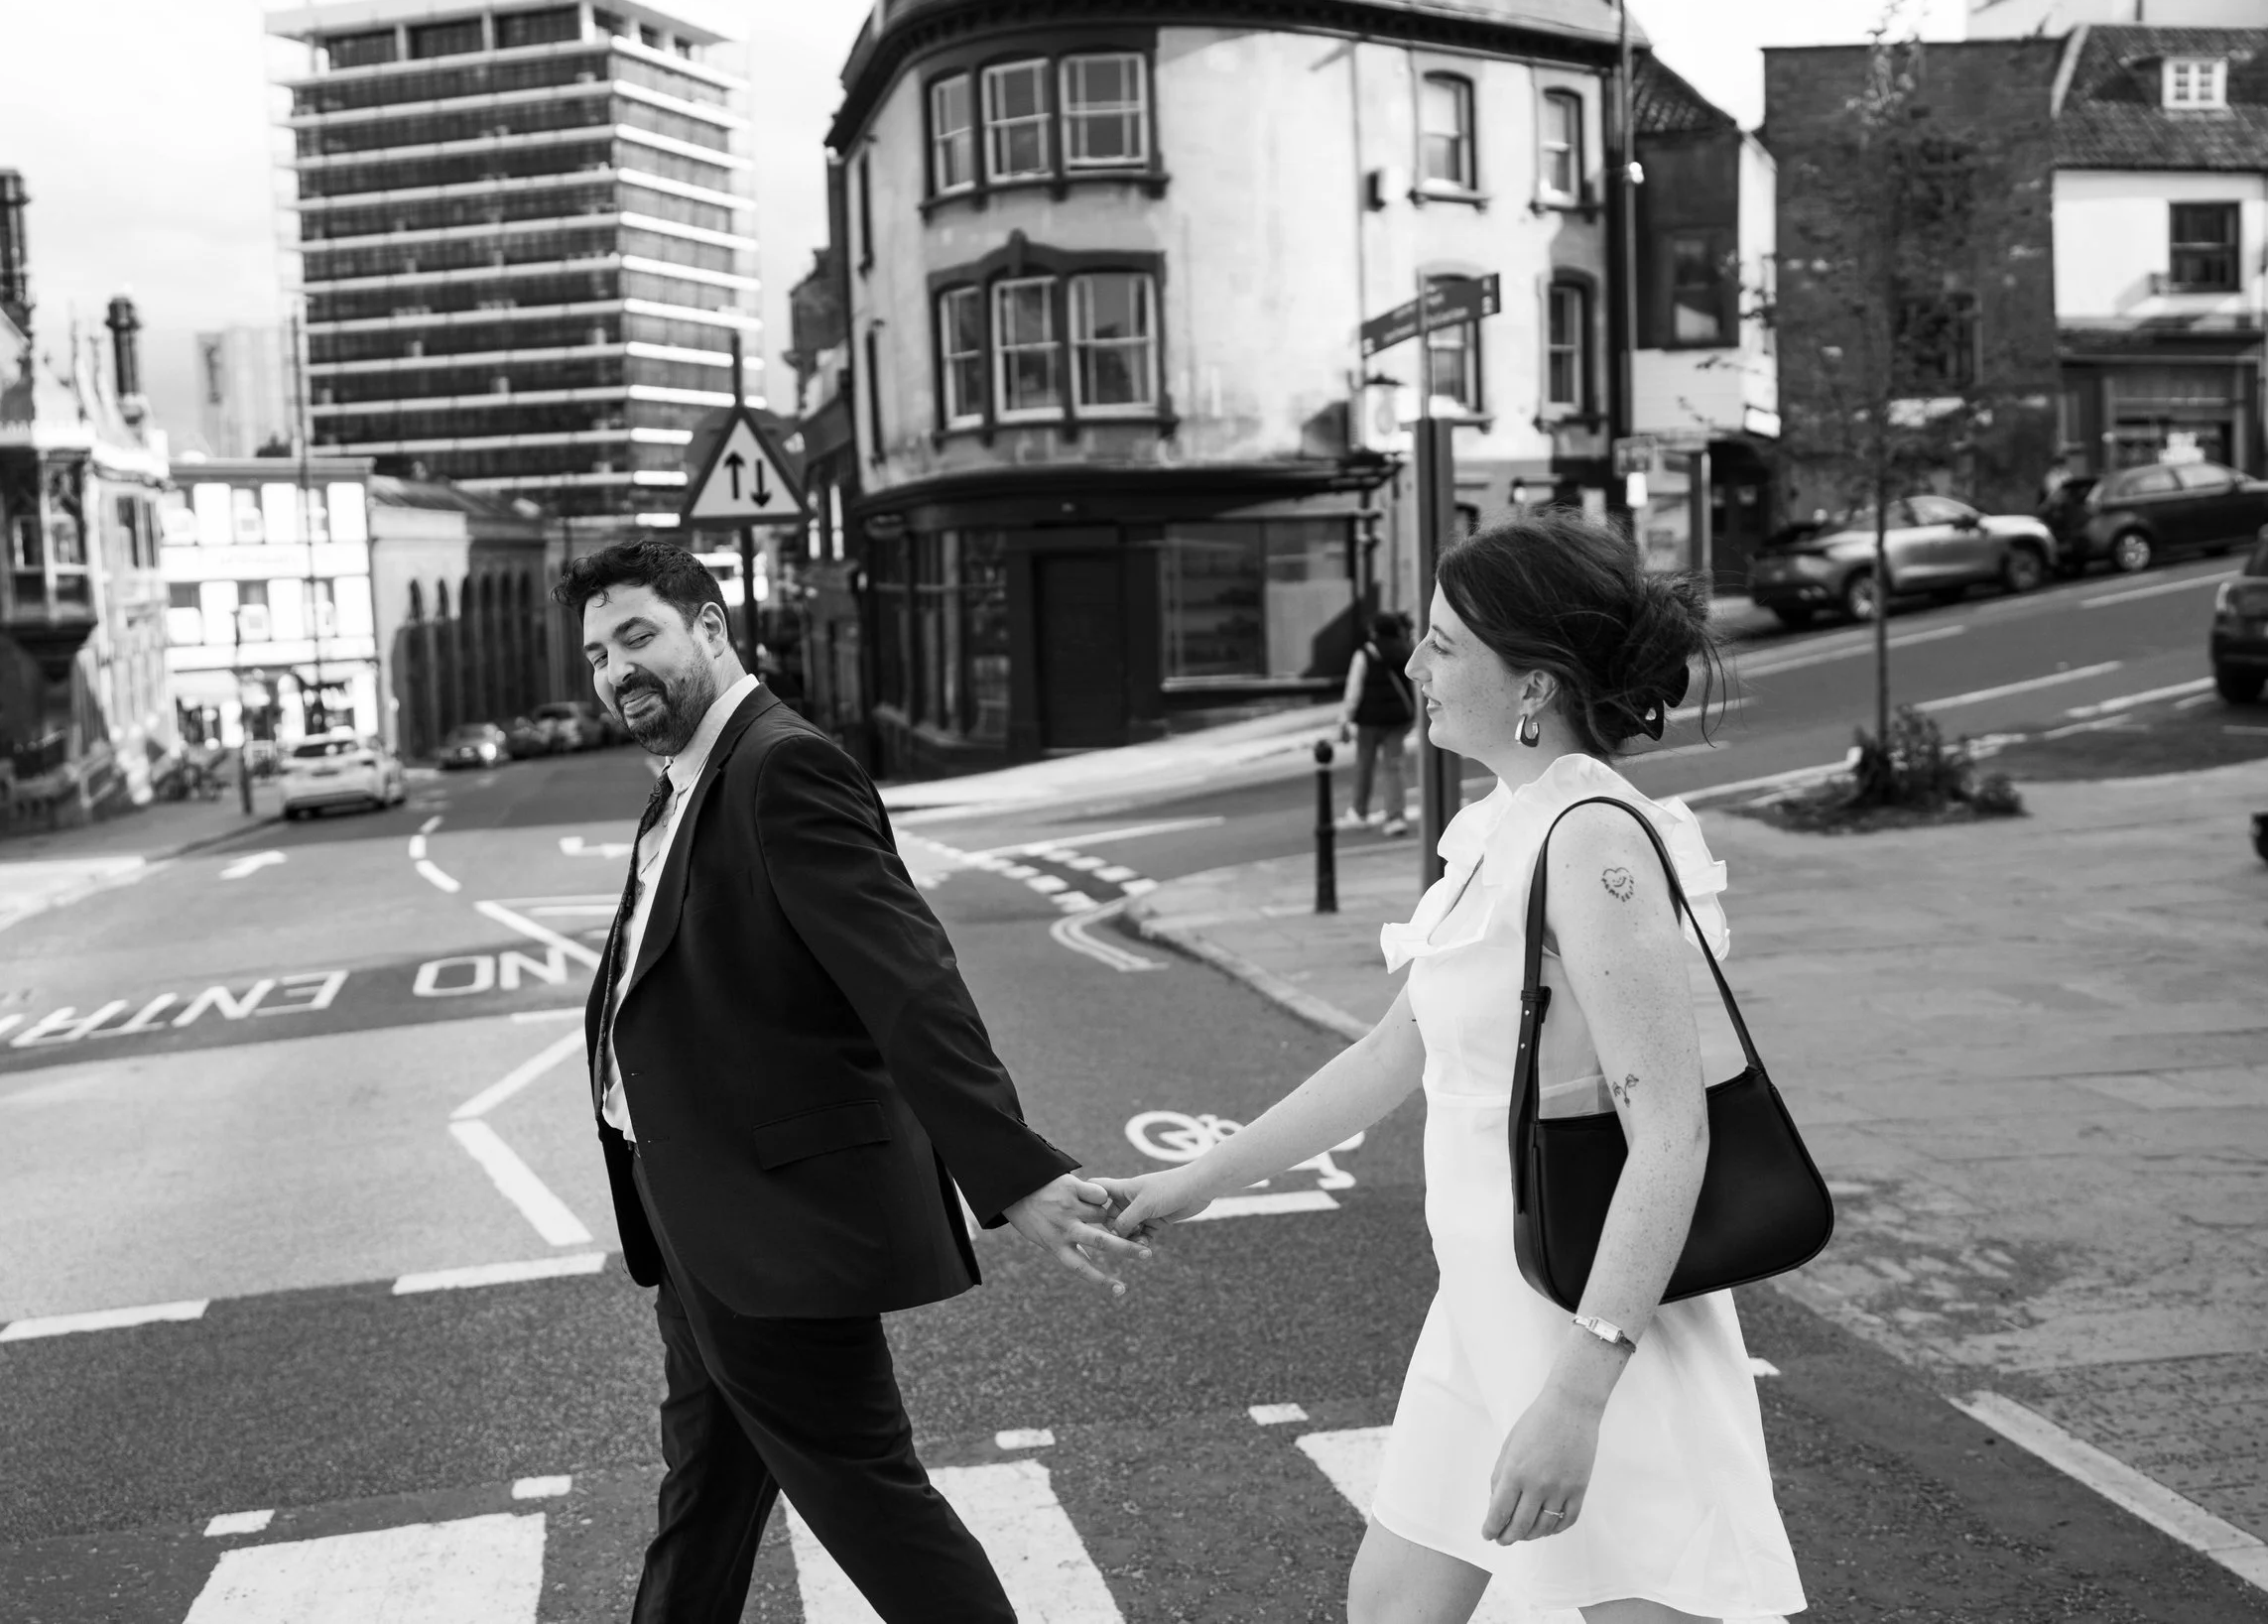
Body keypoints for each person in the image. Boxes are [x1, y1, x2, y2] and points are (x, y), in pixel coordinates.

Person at [1101, 515, 1807, 1624]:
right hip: (1483, 1308)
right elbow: (1395, 1048)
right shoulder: (1504, 825)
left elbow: (1671, 1130)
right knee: (1390, 1605)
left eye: (1441, 644)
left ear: (1531, 682)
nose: (1411, 665)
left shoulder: (1593, 839)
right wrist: (1190, 1183)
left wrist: (1577, 1393)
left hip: (1585, 1325)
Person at [555, 541, 1148, 1624]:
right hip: (693, 1206)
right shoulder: (688, 779)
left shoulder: (781, 766)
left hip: (769, 1214)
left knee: (870, 1499)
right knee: (707, 1490)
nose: (613, 669)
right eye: (596, 653)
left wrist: (1011, 1170)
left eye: (637, 635)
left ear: (711, 625)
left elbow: (907, 982)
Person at [1337, 611, 1418, 837]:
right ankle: (1395, 817)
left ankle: (1360, 812)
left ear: (1375, 631)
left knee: (1364, 765)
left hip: (1369, 720)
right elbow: (1413, 687)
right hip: (1397, 719)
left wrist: (1344, 719)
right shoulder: (1405, 651)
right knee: (1394, 767)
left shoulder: (1365, 653)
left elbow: (1353, 689)